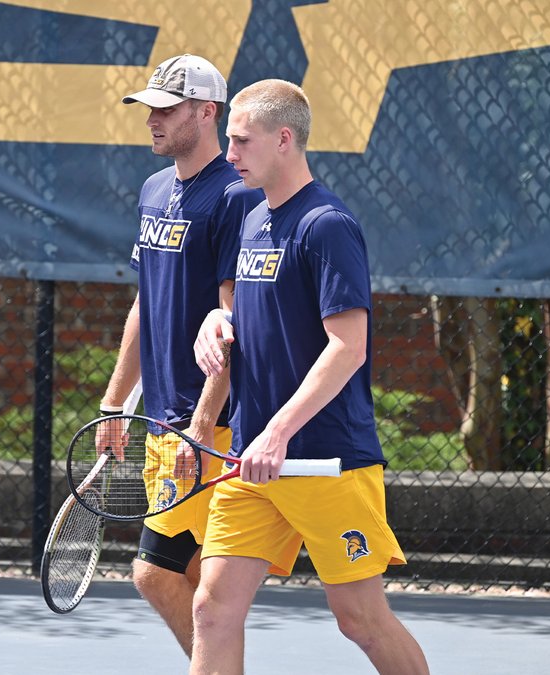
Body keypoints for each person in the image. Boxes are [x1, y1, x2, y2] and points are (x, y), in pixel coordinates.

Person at [190, 79, 430, 674]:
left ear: (285, 140)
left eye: (242, 142)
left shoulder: (326, 225)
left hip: (325, 462)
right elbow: (257, 315)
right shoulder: (250, 219)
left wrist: (279, 432)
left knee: (360, 619)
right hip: (251, 463)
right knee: (212, 610)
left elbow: (347, 347)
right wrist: (217, 321)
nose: (230, 155)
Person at [98, 54, 262, 656]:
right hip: (164, 422)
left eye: (167, 109)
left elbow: (233, 322)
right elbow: (147, 303)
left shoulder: (234, 198)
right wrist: (116, 400)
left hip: (212, 427)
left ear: (206, 112)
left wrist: (201, 426)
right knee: (194, 585)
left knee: (156, 573)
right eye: (150, 108)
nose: (153, 119)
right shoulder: (153, 190)